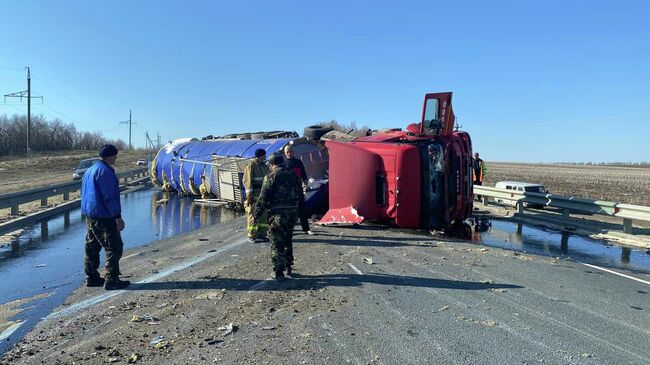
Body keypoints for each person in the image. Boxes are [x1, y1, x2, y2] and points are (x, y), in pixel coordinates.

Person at [81, 144, 130, 290]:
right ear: (109, 156)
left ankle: (91, 277)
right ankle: (111, 279)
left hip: (91, 215)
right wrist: (117, 216)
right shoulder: (105, 172)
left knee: (92, 246)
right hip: (104, 216)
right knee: (114, 247)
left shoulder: (90, 170)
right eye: (115, 155)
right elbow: (108, 196)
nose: (116, 158)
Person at [254, 153, 305, 281]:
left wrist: (256, 214)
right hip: (292, 212)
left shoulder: (271, 176)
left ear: (271, 164)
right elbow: (300, 193)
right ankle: (288, 267)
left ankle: (278, 272)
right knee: (288, 239)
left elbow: (263, 198)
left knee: (277, 242)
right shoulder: (293, 175)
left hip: (277, 213)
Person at [283, 144, 313, 235]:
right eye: (287, 152)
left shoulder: (298, 162)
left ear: (294, 152)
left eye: (291, 151)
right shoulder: (283, 163)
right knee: (288, 211)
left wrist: (306, 185)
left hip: (298, 189)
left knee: (302, 210)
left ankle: (306, 229)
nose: (289, 153)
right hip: (287, 191)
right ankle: (289, 229)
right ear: (285, 153)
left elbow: (304, 175)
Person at [243, 148, 270, 243]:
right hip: (254, 195)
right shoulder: (251, 166)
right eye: (264, 155)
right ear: (260, 156)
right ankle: (252, 235)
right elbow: (247, 182)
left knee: (264, 215)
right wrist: (249, 196)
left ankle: (261, 234)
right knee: (254, 215)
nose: (265, 157)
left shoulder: (265, 167)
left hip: (263, 195)